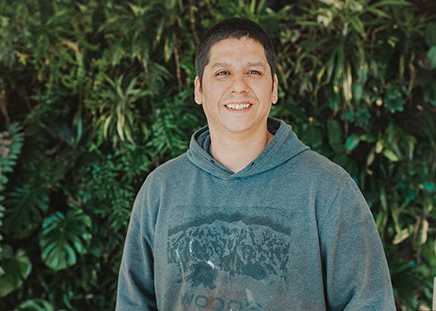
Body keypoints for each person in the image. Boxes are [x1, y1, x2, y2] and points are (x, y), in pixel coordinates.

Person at [116, 17, 395, 311]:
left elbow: (370, 303)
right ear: (199, 89)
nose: (239, 85)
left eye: (254, 71)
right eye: (223, 72)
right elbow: (134, 301)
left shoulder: (328, 189)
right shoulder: (160, 189)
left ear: (273, 87)